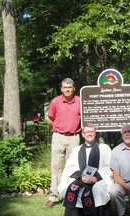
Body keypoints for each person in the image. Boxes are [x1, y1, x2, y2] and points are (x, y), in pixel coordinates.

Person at [57, 123, 112, 216]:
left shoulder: (104, 148)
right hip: (81, 179)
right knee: (71, 188)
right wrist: (81, 177)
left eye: (91, 131)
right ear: (83, 134)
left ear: (95, 133)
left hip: (99, 180)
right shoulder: (76, 150)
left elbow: (109, 167)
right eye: (87, 132)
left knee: (98, 190)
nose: (89, 134)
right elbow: (70, 168)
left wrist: (96, 178)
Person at [44, 78, 81, 208]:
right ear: (61, 88)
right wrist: (57, 128)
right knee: (56, 166)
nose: (67, 89)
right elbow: (49, 119)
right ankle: (54, 196)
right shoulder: (56, 101)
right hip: (58, 137)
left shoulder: (79, 101)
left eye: (70, 87)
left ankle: (72, 195)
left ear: (74, 88)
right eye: (65, 87)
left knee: (74, 167)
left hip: (74, 137)